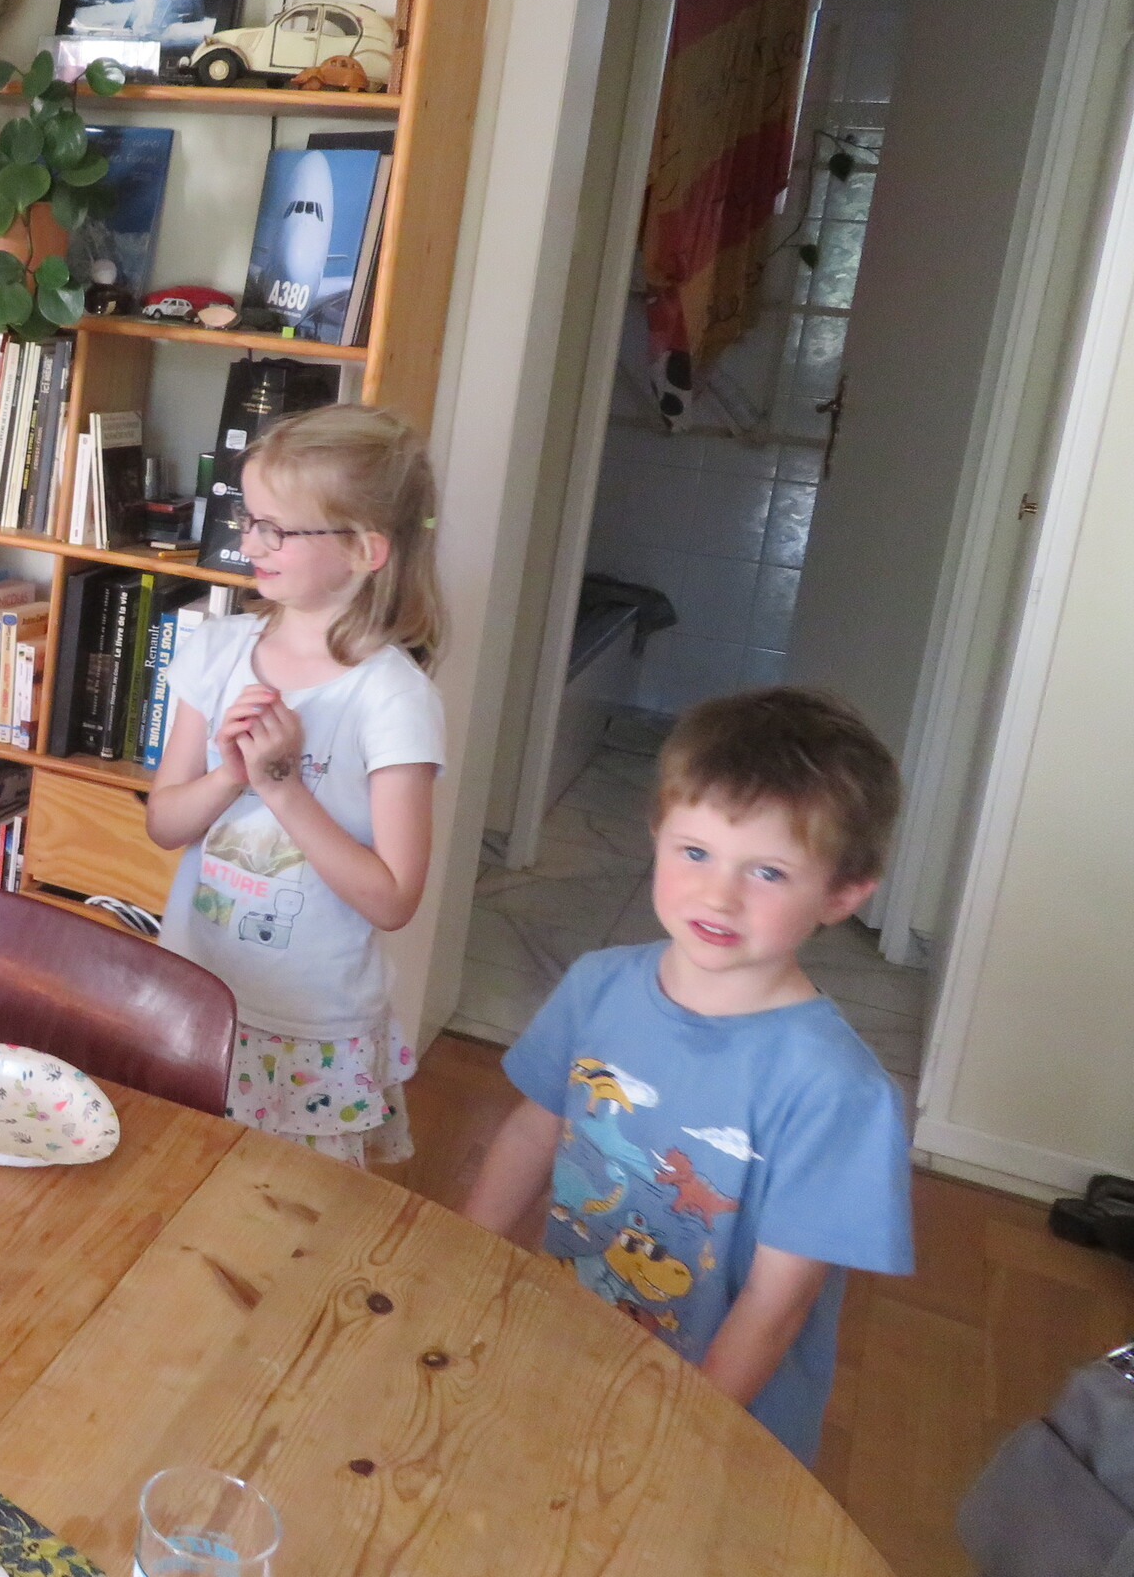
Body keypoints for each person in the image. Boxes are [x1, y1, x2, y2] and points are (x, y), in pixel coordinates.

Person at [460, 686, 914, 1465]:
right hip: (571, 1349)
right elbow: (534, 1131)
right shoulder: (598, 983)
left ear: (842, 893)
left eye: (768, 871)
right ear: (657, 836)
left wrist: (678, 1432)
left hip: (719, 1424)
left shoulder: (839, 1091)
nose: (719, 894)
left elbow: (778, 1302)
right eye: (695, 852)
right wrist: (461, 1260)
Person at [144, 404, 446, 1167]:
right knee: (171, 1183)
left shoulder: (393, 697)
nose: (249, 544)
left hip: (309, 1026)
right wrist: (230, 775)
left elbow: (394, 898)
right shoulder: (217, 650)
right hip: (194, 993)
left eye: (276, 530)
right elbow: (164, 824)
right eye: (248, 520)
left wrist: (283, 789)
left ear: (365, 549)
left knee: (284, 1211)